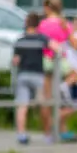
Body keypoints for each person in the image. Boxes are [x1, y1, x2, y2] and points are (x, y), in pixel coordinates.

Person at [36, 0, 77, 142]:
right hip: (61, 63)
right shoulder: (64, 24)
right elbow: (74, 44)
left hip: (45, 62)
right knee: (74, 78)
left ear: (48, 7)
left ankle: (48, 133)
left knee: (46, 99)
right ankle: (60, 126)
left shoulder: (42, 24)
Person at [12, 12, 52, 145]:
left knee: (22, 106)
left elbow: (15, 60)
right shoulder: (41, 39)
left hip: (23, 74)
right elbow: (56, 47)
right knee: (43, 105)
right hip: (38, 75)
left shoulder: (20, 40)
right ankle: (47, 135)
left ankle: (21, 134)